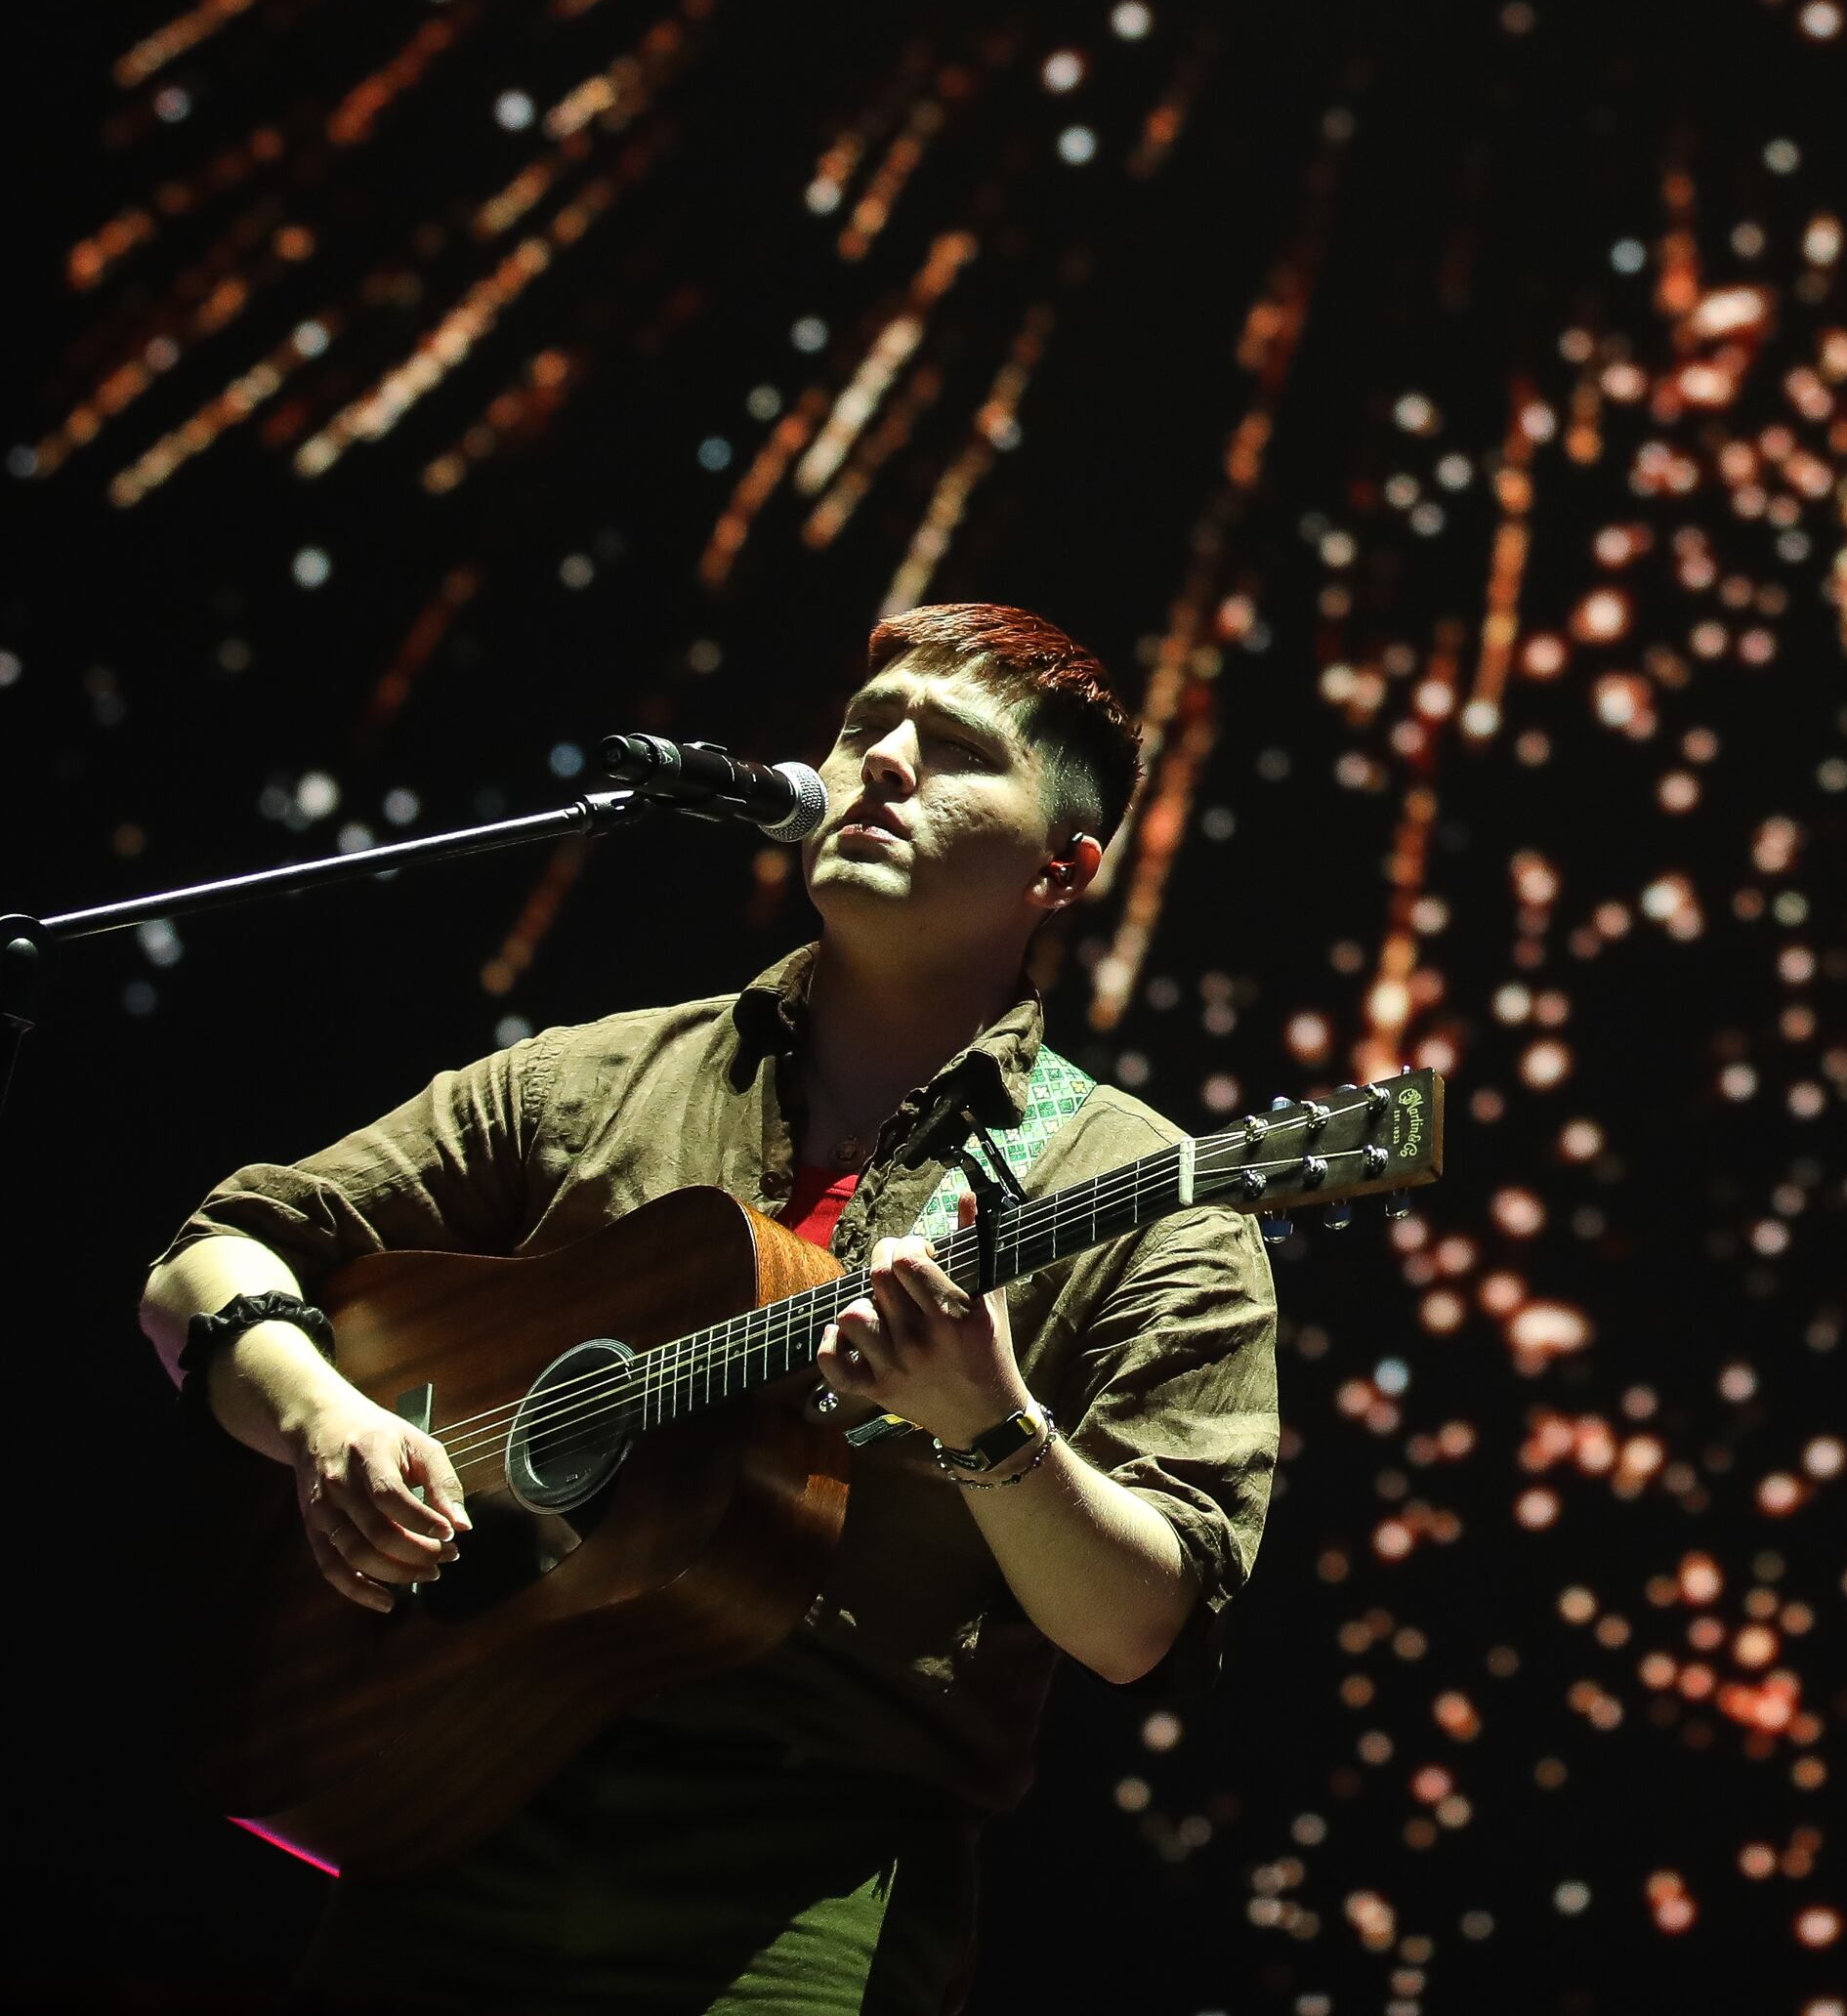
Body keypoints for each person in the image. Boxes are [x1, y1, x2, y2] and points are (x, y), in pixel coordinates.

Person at [137, 603, 1276, 2013]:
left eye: (956, 748)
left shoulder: (1148, 1193)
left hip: (799, 1892)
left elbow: (1137, 1622)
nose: (883, 763)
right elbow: (215, 1255)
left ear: (1062, 867)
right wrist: (323, 1423)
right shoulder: (589, 1077)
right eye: (868, 726)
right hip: (450, 1790)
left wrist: (994, 1426)